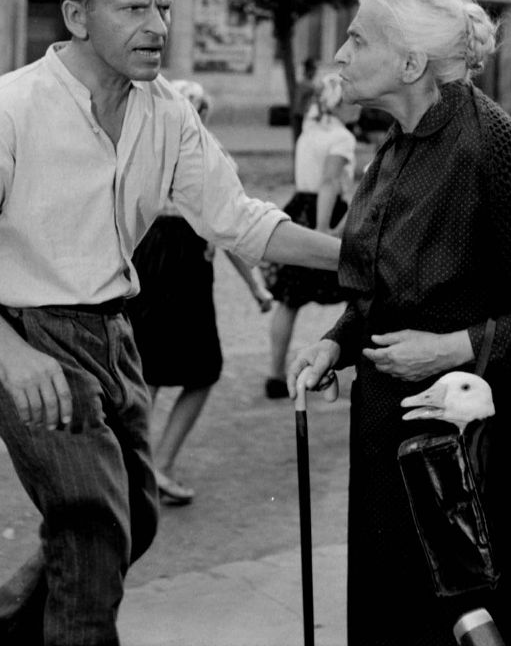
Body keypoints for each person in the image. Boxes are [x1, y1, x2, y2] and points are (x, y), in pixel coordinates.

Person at [0, 0, 340, 646]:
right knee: (91, 527)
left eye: (164, 8)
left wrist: (360, 257)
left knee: (129, 523)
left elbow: (238, 219)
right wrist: (11, 358)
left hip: (115, 335)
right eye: (135, 9)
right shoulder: (4, 112)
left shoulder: (166, 111)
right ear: (78, 17)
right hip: (24, 336)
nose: (158, 27)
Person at [287, 0, 511, 646]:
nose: (340, 55)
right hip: (390, 441)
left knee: (454, 629)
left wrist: (460, 346)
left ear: (409, 62)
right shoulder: (397, 144)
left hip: (469, 459)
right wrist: (338, 342)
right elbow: (396, 283)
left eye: (355, 38)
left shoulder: (494, 146)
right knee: (390, 618)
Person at [127, 78, 273, 506]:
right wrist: (256, 286)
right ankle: (161, 464)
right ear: (201, 116)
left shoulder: (143, 153)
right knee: (203, 370)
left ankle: (131, 467)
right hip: (186, 268)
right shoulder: (211, 157)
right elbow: (230, 231)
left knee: (146, 370)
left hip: (144, 261)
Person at [264, 70, 357, 399]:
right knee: (358, 290)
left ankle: (275, 375)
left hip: (297, 208)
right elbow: (330, 182)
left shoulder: (308, 131)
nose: (358, 105)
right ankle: (362, 366)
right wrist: (323, 231)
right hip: (324, 213)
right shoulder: (342, 137)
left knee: (289, 300)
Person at [290, 56, 318, 142]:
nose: (315, 73)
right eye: (314, 71)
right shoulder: (306, 85)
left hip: (302, 115)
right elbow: (299, 102)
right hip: (302, 116)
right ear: (309, 71)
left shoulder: (306, 84)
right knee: (302, 141)